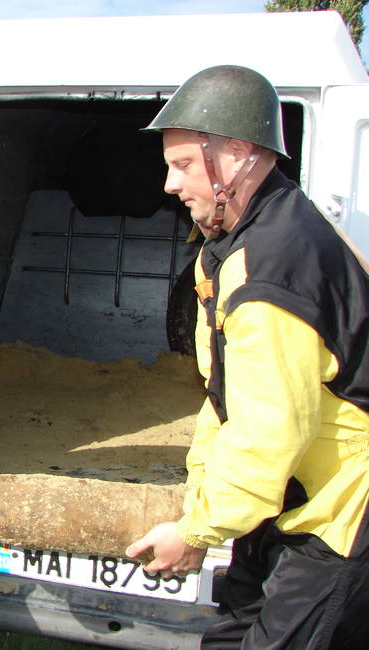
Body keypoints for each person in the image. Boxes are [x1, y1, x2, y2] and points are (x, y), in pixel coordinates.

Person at [125, 65, 369, 648]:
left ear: (234, 154)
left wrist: (197, 532)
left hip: (342, 511)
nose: (169, 184)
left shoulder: (275, 265)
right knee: (231, 632)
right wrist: (201, 495)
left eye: (182, 164)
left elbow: (269, 429)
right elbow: (226, 396)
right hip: (288, 492)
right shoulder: (236, 242)